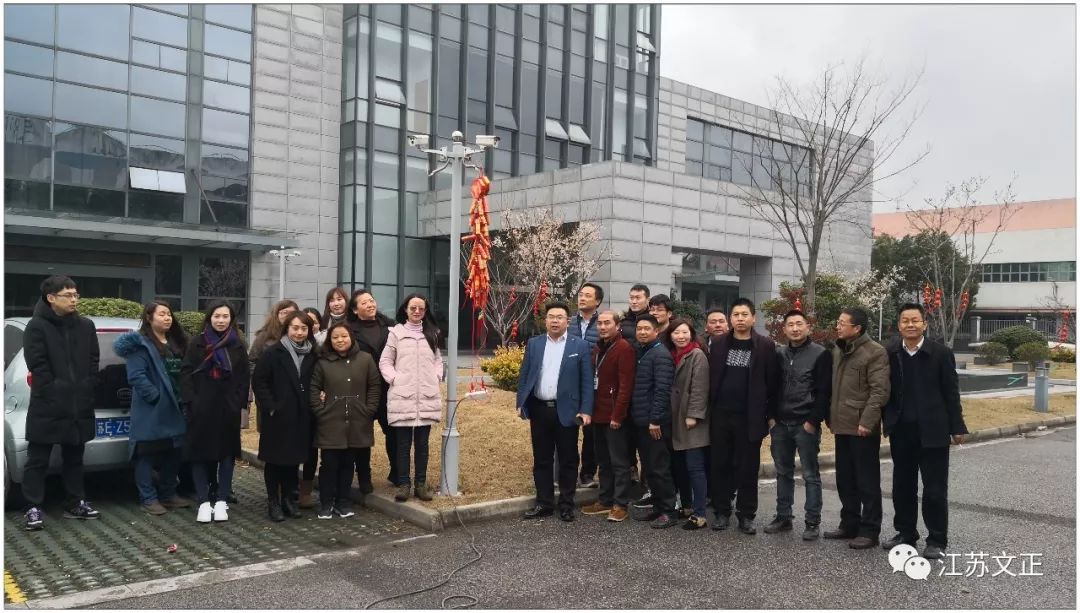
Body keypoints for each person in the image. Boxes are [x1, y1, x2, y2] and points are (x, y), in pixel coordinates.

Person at [882, 303, 968, 560]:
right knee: (902, 486)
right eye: (905, 320)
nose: (910, 324)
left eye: (915, 320)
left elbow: (951, 392)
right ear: (899, 325)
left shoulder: (940, 353)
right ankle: (906, 533)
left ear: (924, 324)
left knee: (934, 489)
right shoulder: (890, 352)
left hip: (934, 431)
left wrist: (957, 426)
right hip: (902, 431)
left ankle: (937, 539)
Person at [21, 275, 101, 530]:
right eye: (68, 295)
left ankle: (75, 502)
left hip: (79, 403)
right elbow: (37, 364)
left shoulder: (86, 325)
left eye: (76, 295)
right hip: (47, 404)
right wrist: (54, 389)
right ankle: (33, 507)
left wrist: (88, 384)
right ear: (51, 298)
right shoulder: (36, 326)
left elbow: (93, 359)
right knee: (38, 459)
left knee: (74, 457)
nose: (74, 300)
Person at [707, 298, 780, 535]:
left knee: (748, 468)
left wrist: (770, 415)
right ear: (731, 319)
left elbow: (772, 383)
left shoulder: (765, 345)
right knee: (720, 465)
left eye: (744, 314)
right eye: (736, 314)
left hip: (750, 417)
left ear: (753, 318)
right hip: (720, 415)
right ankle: (721, 511)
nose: (740, 319)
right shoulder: (719, 344)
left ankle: (746, 515)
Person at [516, 302, 594, 522]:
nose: (555, 321)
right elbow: (525, 374)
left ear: (567, 321)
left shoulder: (580, 346)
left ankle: (567, 504)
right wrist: (521, 402)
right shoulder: (535, 343)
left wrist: (585, 409)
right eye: (551, 317)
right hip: (540, 409)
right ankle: (544, 503)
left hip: (567, 411)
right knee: (542, 459)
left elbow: (586, 382)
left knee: (568, 459)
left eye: (560, 317)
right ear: (546, 320)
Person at [113, 301, 192, 516]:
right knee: (146, 453)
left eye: (169, 314)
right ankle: (148, 498)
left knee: (173, 452)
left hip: (176, 406)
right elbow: (136, 376)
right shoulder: (139, 344)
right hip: (153, 408)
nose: (167, 318)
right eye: (162, 314)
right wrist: (155, 396)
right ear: (149, 318)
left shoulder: (177, 342)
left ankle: (168, 493)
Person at [824, 307, 890, 550]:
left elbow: (879, 391)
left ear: (857, 328)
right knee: (845, 478)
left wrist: (867, 421)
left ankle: (870, 530)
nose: (838, 326)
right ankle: (849, 523)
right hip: (841, 424)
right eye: (838, 322)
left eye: (842, 323)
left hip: (862, 427)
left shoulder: (875, 352)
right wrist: (830, 416)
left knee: (866, 481)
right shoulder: (839, 349)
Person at [763, 310, 832, 540]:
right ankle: (784, 516)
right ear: (784, 329)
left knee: (810, 475)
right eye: (790, 324)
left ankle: (812, 522)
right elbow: (770, 388)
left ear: (808, 327)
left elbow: (824, 392)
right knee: (783, 473)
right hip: (780, 424)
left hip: (805, 423)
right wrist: (771, 418)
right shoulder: (778, 354)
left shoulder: (820, 354)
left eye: (799, 324)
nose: (795, 328)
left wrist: (813, 421)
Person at [181, 300, 250, 524]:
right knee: (199, 454)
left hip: (227, 409)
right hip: (201, 408)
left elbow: (244, 377)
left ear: (231, 319)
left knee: (227, 454)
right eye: (217, 316)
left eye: (225, 316)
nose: (221, 320)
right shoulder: (197, 343)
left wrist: (237, 403)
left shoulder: (237, 344)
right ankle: (203, 501)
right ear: (209, 318)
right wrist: (192, 401)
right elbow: (186, 373)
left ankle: (221, 500)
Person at [309, 322, 381, 519]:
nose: (340, 340)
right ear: (330, 341)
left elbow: (374, 386)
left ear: (351, 337)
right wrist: (320, 411)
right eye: (335, 337)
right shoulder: (323, 362)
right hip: (330, 422)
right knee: (329, 464)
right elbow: (314, 388)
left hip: (357, 421)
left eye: (344, 336)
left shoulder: (365, 359)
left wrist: (369, 409)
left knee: (348, 464)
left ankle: (343, 502)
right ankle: (326, 503)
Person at [252, 311, 317, 522]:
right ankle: (273, 502)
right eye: (295, 328)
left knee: (293, 460)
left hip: (302, 415)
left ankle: (289, 499)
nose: (299, 332)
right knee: (274, 461)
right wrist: (271, 407)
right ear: (287, 328)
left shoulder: (313, 353)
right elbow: (259, 381)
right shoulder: (274, 352)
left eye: (304, 328)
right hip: (278, 416)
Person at [380, 294, 444, 503]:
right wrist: (395, 379)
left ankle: (421, 484)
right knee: (403, 445)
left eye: (421, 309)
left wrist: (436, 376)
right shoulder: (396, 333)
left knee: (423, 445)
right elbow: (385, 361)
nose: (417, 312)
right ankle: (404, 484)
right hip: (403, 396)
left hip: (426, 396)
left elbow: (437, 360)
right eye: (413, 308)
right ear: (405, 310)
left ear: (425, 312)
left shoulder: (432, 334)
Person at [579, 311, 636, 522]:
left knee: (619, 462)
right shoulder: (598, 348)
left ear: (617, 325)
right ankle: (605, 500)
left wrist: (618, 415)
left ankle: (620, 504)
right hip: (598, 414)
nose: (602, 327)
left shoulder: (624, 348)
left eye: (607, 323)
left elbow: (625, 386)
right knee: (603, 460)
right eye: (600, 324)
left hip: (614, 416)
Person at [628, 314, 680, 529]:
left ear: (656, 331)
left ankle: (669, 510)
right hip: (641, 420)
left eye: (646, 329)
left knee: (660, 468)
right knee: (650, 467)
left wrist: (655, 419)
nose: (642, 332)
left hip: (655, 423)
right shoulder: (643, 352)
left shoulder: (660, 355)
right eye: (639, 328)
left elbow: (662, 390)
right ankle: (658, 507)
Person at [347, 288, 397, 492]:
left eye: (371, 300)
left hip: (388, 389)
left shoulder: (391, 326)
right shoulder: (349, 330)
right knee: (361, 435)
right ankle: (364, 477)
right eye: (364, 302)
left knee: (393, 432)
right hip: (361, 389)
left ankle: (397, 473)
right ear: (355, 310)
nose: (370, 304)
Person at [667, 318, 711, 530]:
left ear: (692, 334)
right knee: (680, 467)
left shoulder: (697, 355)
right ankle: (686, 506)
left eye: (684, 332)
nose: (680, 336)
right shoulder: (672, 354)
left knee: (695, 467)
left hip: (692, 420)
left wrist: (693, 415)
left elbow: (700, 388)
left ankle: (700, 513)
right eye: (676, 332)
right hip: (675, 418)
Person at [569, 282, 603, 489]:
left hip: (594, 385)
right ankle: (568, 473)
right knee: (568, 430)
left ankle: (588, 474)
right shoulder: (570, 322)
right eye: (580, 294)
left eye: (587, 295)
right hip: (570, 384)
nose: (582, 298)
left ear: (597, 301)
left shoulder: (603, 323)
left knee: (591, 433)